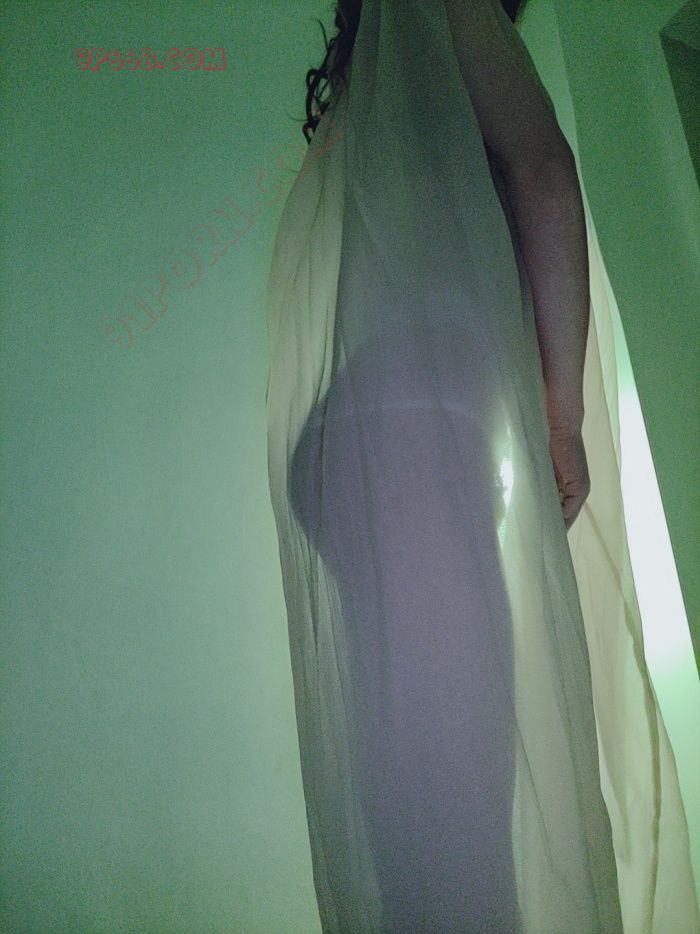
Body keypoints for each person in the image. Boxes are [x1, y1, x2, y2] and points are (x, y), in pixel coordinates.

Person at [265, 1, 700, 931]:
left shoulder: (369, 78)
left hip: (358, 437)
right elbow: (542, 171)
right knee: (465, 776)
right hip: (417, 431)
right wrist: (562, 418)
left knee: (416, 784)